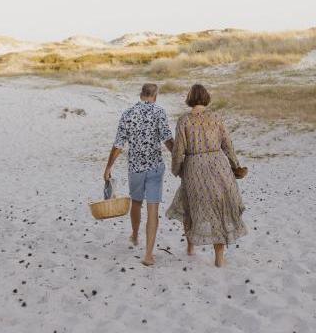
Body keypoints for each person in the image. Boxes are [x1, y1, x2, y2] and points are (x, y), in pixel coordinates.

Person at [167, 83, 247, 267]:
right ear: (206, 98)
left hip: (194, 167)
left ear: (189, 99)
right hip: (218, 165)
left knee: (189, 205)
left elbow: (179, 150)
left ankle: (190, 247)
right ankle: (219, 257)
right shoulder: (216, 118)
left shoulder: (184, 120)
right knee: (219, 208)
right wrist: (236, 166)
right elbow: (227, 144)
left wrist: (177, 169)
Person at [103, 83, 173, 266]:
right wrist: (179, 159)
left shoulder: (128, 113)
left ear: (141, 95)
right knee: (153, 208)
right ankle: (148, 255)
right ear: (155, 96)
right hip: (155, 167)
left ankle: (134, 235)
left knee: (136, 202)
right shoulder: (159, 112)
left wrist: (108, 167)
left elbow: (118, 144)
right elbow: (167, 140)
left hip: (135, 168)